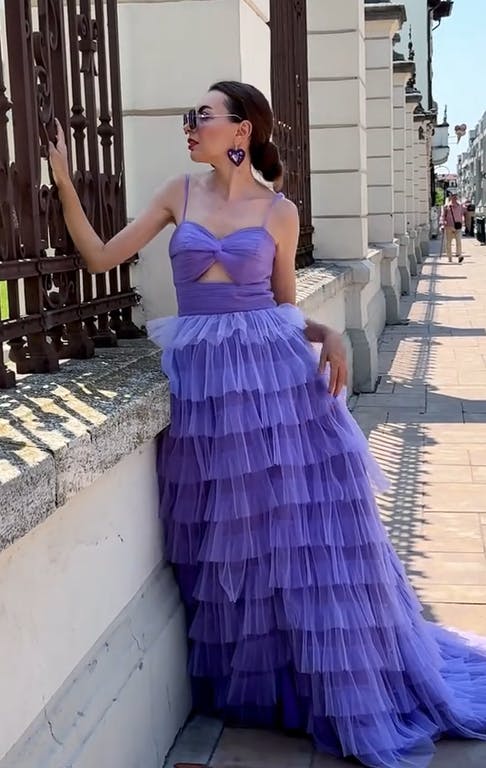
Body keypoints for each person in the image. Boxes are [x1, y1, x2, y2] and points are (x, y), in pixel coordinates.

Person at [49, 81, 486, 768]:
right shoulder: (178, 193)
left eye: (201, 115)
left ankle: (328, 682)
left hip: (278, 383)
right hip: (209, 391)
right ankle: (268, 683)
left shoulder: (281, 213)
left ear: (241, 132)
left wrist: (329, 336)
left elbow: (283, 307)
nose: (189, 124)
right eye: (189, 114)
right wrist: (64, 183)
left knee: (300, 534)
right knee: (237, 538)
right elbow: (103, 257)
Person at [440, 189, 466, 263]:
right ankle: (449, 257)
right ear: (450, 197)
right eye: (453, 196)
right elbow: (442, 216)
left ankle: (459, 255)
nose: (455, 197)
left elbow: (463, 214)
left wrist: (463, 222)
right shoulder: (446, 207)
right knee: (448, 243)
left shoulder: (460, 206)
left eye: (456, 196)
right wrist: (442, 224)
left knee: (459, 241)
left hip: (458, 226)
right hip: (449, 226)